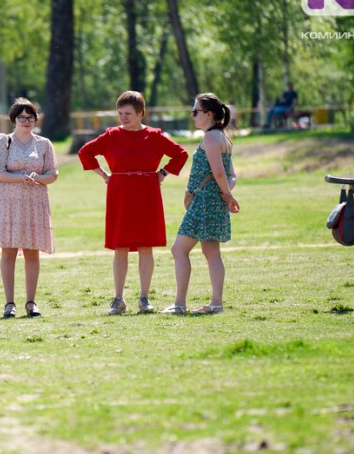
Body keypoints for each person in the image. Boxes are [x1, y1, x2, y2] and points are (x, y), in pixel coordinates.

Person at [78, 91, 188, 315]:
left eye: (128, 113)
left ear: (141, 113)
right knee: (120, 247)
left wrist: (163, 172)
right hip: (120, 193)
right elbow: (85, 152)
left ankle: (144, 298)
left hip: (147, 192)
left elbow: (181, 153)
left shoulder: (155, 136)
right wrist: (104, 175)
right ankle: (118, 299)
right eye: (120, 113)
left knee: (146, 246)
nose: (123, 118)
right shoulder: (111, 136)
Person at [165, 93, 240, 315]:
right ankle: (216, 303)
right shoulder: (223, 137)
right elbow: (232, 175)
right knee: (211, 252)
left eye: (196, 111)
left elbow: (219, 172)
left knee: (178, 249)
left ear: (209, 114)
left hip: (205, 202)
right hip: (214, 201)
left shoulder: (209, 138)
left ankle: (179, 304)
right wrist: (226, 194)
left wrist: (225, 194)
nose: (193, 115)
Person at [0, 98, 58, 319]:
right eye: (22, 117)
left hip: (35, 201)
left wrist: (39, 178)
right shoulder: (4, 141)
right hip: (8, 200)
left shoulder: (44, 143)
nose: (26, 121)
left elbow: (53, 174)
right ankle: (9, 303)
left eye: (30, 117)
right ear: (13, 120)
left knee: (32, 251)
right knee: (8, 250)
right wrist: (20, 178)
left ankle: (30, 302)